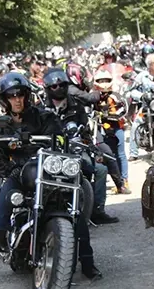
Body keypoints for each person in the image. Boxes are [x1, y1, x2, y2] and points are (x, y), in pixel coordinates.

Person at [0, 72, 102, 280]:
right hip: (21, 172)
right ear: (5, 99)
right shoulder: (1, 125)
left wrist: (61, 143)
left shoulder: (44, 116)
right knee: (8, 188)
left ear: (27, 96)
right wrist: (6, 168)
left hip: (49, 169)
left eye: (20, 95)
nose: (17, 99)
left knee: (74, 211)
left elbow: (59, 139)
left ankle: (88, 261)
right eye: (11, 96)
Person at [42, 66, 119, 222]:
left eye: (62, 85)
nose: (59, 89)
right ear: (48, 88)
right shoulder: (40, 109)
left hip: (75, 150)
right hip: (50, 152)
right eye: (54, 86)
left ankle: (97, 211)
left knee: (101, 169)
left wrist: (93, 150)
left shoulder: (76, 106)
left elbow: (85, 132)